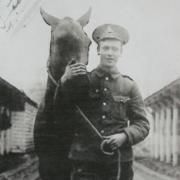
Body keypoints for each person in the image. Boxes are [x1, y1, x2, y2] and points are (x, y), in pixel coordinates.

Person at [61, 24, 150, 180]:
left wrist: (124, 136)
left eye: (114, 49)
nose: (110, 53)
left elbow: (142, 124)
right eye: (106, 48)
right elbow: (61, 113)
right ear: (98, 50)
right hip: (85, 163)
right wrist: (64, 81)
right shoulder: (83, 81)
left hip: (119, 163)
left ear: (121, 52)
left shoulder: (129, 86)